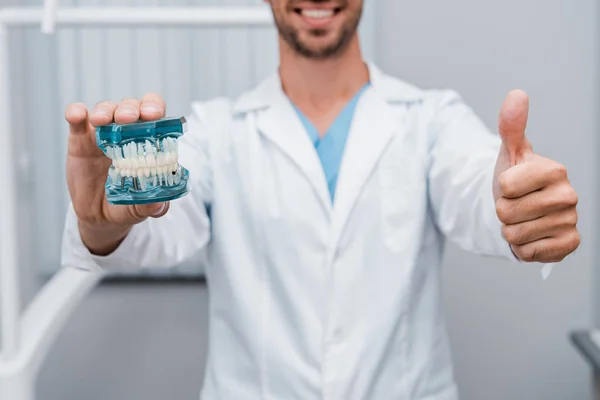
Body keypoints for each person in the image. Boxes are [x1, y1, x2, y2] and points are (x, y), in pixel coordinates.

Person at [61, 0, 580, 398]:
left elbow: (474, 185)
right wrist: (101, 222)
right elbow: (153, 229)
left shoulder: (429, 119)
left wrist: (515, 204)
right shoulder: (217, 134)